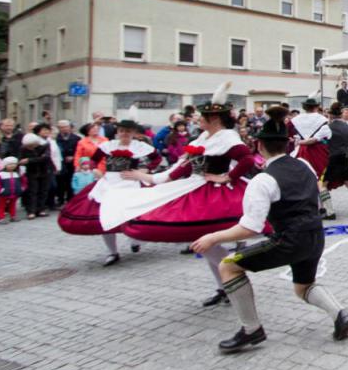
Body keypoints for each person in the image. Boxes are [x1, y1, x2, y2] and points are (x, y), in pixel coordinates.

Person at [190, 106, 348, 353]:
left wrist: (213, 237)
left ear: (259, 146)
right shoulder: (305, 167)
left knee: (228, 266)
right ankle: (340, 313)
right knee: (303, 286)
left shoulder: (263, 180)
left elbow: (250, 228)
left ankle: (251, 329)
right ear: (287, 144)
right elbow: (316, 199)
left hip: (289, 239)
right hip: (315, 235)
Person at [103, 83, 255, 307]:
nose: (197, 120)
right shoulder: (202, 139)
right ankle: (226, 286)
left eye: (202, 117)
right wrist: (149, 178)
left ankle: (234, 282)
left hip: (215, 196)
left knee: (208, 244)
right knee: (207, 245)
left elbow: (247, 159)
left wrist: (227, 177)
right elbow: (179, 169)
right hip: (196, 189)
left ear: (214, 119)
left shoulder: (226, 138)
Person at [58, 111, 158, 266]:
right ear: (118, 132)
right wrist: (96, 171)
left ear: (133, 133)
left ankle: (135, 240)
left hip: (130, 182)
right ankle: (112, 251)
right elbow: (93, 161)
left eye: (128, 131)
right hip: (110, 182)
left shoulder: (140, 146)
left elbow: (156, 159)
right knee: (105, 216)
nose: (125, 134)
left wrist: (143, 171)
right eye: (122, 131)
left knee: (134, 214)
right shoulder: (107, 145)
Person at [289, 97, 332, 215]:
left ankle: (314, 205)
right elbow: (324, 136)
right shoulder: (322, 119)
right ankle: (322, 206)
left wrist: (298, 141)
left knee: (305, 179)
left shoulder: (295, 120)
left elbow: (289, 134)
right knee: (319, 178)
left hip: (302, 151)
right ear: (316, 107)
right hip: (318, 150)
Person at [20, 127, 54, 219]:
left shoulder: (45, 145)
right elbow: (21, 159)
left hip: (44, 171)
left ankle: (41, 209)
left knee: (43, 191)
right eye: (28, 146)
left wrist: (29, 160)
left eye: (31, 146)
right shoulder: (24, 148)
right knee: (32, 192)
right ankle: (31, 211)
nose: (30, 148)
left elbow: (45, 158)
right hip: (31, 172)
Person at [54, 121, 80, 208]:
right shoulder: (56, 138)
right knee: (60, 182)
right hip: (60, 163)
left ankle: (70, 200)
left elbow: (79, 150)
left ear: (69, 127)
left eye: (65, 127)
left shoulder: (76, 138)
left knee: (70, 181)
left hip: (72, 163)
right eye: (61, 127)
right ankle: (60, 199)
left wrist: (73, 157)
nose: (64, 129)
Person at [0, 157, 25, 223]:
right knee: (1, 205)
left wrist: (22, 188)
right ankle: (1, 217)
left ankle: (13, 216)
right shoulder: (0, 174)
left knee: (12, 205)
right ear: (5, 165)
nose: (12, 166)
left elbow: (23, 181)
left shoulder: (17, 174)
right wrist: (0, 190)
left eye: (14, 164)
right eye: (9, 164)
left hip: (14, 193)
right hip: (4, 194)